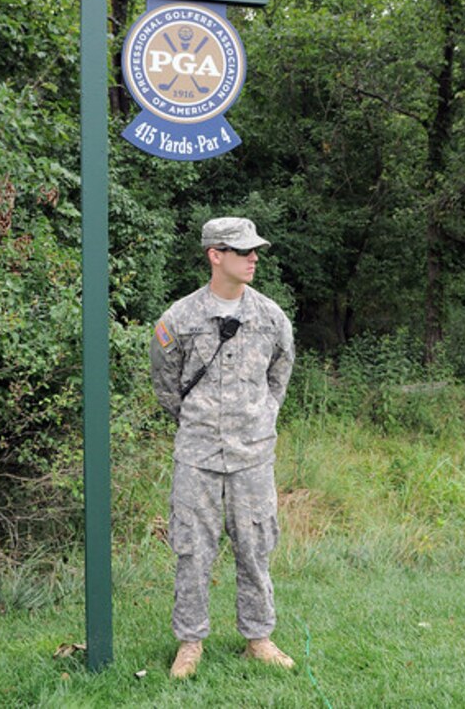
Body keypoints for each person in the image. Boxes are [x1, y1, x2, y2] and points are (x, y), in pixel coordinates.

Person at [150, 217, 295, 679]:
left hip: (253, 454)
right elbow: (165, 384)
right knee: (193, 549)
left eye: (255, 250)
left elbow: (280, 376)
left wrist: (259, 418)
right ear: (216, 255)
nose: (254, 258)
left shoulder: (271, 317)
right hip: (198, 457)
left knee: (255, 546)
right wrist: (199, 424)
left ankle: (259, 638)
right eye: (243, 251)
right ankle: (190, 643)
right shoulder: (180, 319)